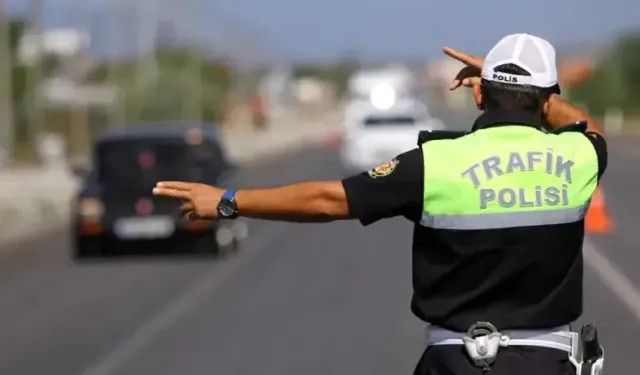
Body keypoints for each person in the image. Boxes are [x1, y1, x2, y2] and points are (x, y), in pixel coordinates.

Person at [153, 33, 607, 375]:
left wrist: (228, 202)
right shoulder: (580, 156)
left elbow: (329, 199)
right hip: (549, 363)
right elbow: (586, 126)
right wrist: (528, 91)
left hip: (455, 362)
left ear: (480, 94)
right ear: (547, 99)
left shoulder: (433, 163)